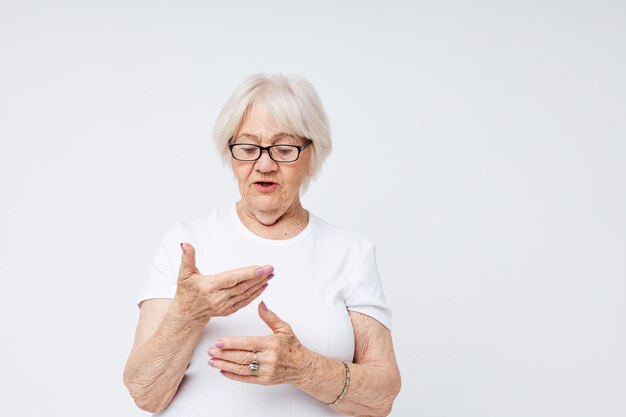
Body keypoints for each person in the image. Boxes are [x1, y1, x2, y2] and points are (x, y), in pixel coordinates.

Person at [123, 73, 401, 416]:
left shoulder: (351, 253)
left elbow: (381, 399)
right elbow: (145, 394)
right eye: (248, 148)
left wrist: (303, 367)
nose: (264, 165)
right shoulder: (185, 244)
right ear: (230, 155)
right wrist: (188, 313)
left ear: (312, 156)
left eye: (284, 150)